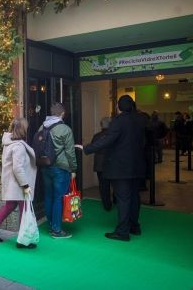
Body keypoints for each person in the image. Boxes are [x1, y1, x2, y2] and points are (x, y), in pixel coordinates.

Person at [84, 95, 145, 241]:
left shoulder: (119, 121)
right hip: (137, 166)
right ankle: (134, 226)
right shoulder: (139, 120)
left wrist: (87, 148)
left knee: (123, 199)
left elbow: (108, 140)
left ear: (118, 107)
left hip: (121, 167)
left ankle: (122, 232)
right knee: (134, 197)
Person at [0, 118, 37, 248]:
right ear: (22, 129)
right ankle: (22, 240)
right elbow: (17, 168)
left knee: (10, 206)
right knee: (24, 211)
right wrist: (25, 185)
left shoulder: (9, 143)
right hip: (19, 184)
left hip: (13, 183)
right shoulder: (18, 146)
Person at [40, 102, 77, 239]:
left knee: (49, 196)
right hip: (61, 168)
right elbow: (70, 152)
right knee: (59, 198)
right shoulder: (65, 129)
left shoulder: (42, 126)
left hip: (45, 166)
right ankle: (56, 230)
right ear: (62, 113)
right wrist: (73, 168)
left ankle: (51, 225)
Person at [91, 117, 113, 211]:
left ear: (101, 125)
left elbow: (92, 148)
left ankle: (106, 205)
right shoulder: (113, 135)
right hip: (112, 164)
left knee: (103, 186)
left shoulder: (96, 136)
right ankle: (117, 201)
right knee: (116, 184)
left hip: (99, 164)